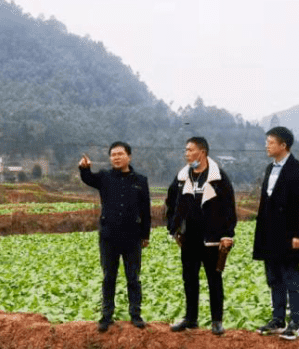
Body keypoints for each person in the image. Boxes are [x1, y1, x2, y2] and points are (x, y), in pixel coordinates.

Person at [165, 136, 237, 336]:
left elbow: (229, 207)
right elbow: (170, 202)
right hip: (189, 237)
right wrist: (174, 228)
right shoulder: (182, 177)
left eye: (190, 150)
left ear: (202, 152)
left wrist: (227, 234)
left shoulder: (218, 177)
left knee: (214, 278)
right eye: (186, 150)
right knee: (189, 278)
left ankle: (216, 321)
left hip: (212, 237)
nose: (187, 154)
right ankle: (191, 318)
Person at [79, 142, 151, 333]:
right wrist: (84, 168)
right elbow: (89, 179)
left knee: (133, 278)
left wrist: (145, 235)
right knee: (109, 277)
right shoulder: (104, 177)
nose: (116, 157)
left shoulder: (140, 180)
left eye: (120, 154)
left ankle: (135, 314)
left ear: (129, 156)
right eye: (113, 155)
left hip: (132, 237)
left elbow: (146, 210)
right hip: (109, 236)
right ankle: (106, 315)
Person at [253, 126, 299, 340]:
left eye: (270, 142)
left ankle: (297, 323)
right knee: (274, 277)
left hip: (288, 234)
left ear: (283, 145)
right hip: (269, 233)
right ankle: (278, 319)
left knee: (291, 277)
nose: (266, 145)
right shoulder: (270, 169)